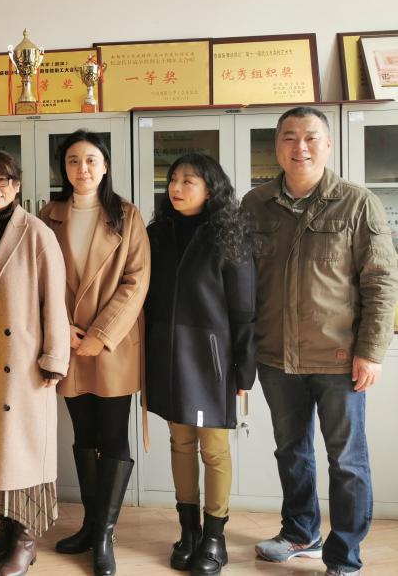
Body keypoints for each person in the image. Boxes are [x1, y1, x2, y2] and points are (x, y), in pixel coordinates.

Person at [243, 106, 398, 576]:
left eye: (311, 137)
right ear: (277, 146)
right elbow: (240, 283)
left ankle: (344, 556)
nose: (300, 147)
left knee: (346, 461)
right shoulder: (255, 204)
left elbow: (381, 281)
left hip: (339, 358)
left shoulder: (357, 203)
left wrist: (371, 351)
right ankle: (300, 533)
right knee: (291, 452)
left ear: (328, 145)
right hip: (276, 356)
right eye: (289, 137)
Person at [37, 130, 149, 576]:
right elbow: (37, 277)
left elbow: (136, 280)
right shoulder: (49, 215)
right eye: (72, 161)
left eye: (90, 160)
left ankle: (104, 534)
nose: (81, 169)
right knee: (83, 436)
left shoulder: (127, 215)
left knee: (113, 436)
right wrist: (60, 328)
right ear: (63, 169)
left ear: (105, 166)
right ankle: (89, 524)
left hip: (113, 344)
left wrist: (100, 335)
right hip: (67, 342)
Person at [0, 150, 69, 576]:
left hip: (22, 362)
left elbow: (54, 300)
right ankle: (4, 530)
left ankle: (25, 539)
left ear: (16, 186)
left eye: (2, 181)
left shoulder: (37, 232)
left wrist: (54, 358)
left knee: (22, 450)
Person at [144, 153, 256, 576]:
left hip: (212, 359)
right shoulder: (157, 233)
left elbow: (244, 309)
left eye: (188, 180)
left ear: (211, 189)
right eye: (173, 179)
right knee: (180, 442)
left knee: (214, 448)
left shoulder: (229, 234)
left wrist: (244, 368)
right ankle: (188, 531)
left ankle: (214, 537)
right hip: (167, 354)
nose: (176, 187)